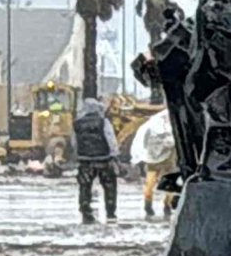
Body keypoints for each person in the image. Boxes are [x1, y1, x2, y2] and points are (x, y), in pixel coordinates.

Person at [67, 96, 119, 225]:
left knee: (85, 186)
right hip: (103, 159)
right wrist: (114, 155)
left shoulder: (77, 123)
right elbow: (110, 139)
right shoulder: (103, 122)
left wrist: (78, 155)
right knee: (109, 186)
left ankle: (86, 211)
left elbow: (74, 142)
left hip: (85, 160)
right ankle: (111, 212)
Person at [131, 109, 177, 218]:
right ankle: (167, 205)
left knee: (149, 183)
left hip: (151, 160)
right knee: (170, 182)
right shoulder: (171, 128)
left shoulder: (149, 127)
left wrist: (138, 156)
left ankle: (148, 205)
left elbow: (140, 141)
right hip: (168, 160)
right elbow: (173, 143)